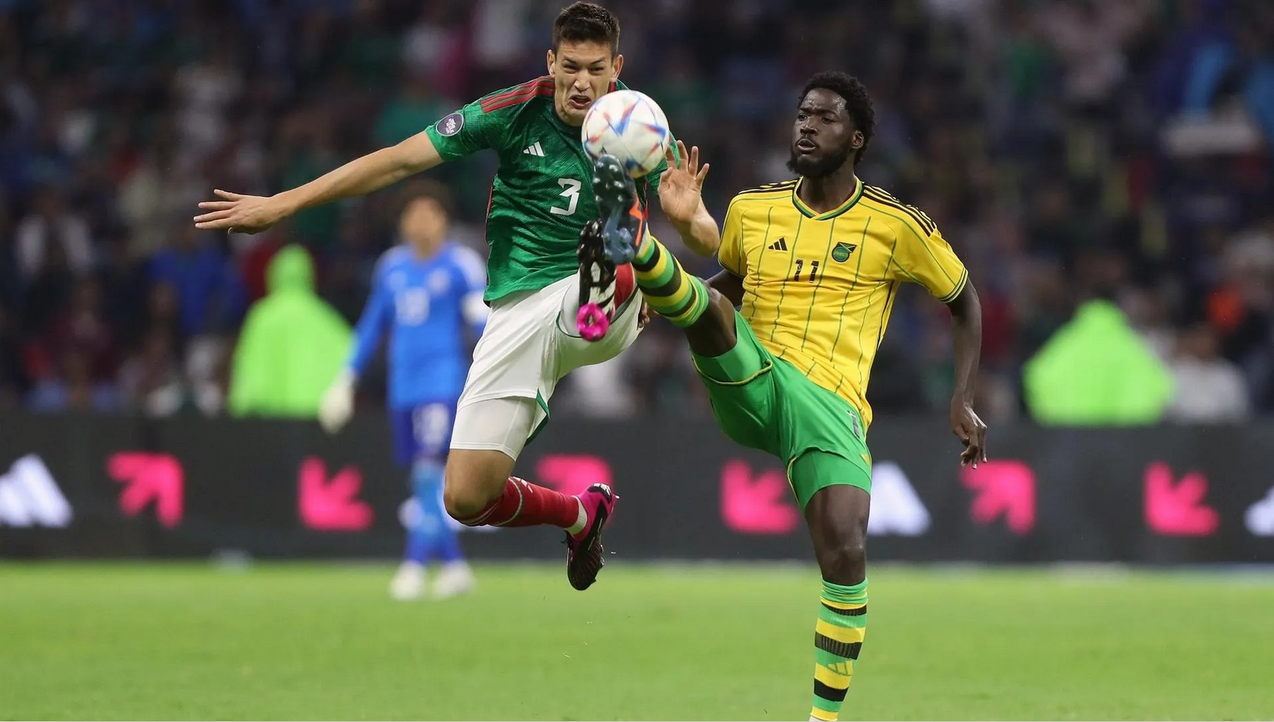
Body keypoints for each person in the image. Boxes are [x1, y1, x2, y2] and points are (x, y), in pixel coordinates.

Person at [195, 2, 714, 590]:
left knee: (612, 250)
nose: (582, 82)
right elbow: (397, 161)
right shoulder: (512, 111)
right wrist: (285, 202)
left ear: (616, 67)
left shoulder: (639, 126)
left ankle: (607, 269)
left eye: (596, 68)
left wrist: (689, 218)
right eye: (570, 66)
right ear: (551, 60)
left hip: (603, 304)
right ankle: (580, 515)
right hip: (519, 313)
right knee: (466, 496)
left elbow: (707, 236)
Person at [593, 72, 989, 721]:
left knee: (846, 551)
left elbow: (963, 299)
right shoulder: (753, 208)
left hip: (830, 409)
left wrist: (963, 397)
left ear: (856, 138)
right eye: (802, 115)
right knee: (716, 310)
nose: (806, 126)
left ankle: (822, 720)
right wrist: (675, 263)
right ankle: (635, 241)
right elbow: (726, 286)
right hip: (753, 376)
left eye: (824, 118)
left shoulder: (895, 225)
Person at [319, 181, 485, 601]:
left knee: (429, 470)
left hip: (442, 384)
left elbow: (485, 325)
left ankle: (413, 566)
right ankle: (453, 567)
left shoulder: (461, 266)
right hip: (402, 389)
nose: (422, 222)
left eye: (431, 213)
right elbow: (373, 324)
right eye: (414, 214)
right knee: (421, 479)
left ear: (444, 221)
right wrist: (346, 378)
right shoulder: (391, 268)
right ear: (403, 222)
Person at [228, 244, 352, 418]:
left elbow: (250, 369)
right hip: (313, 418)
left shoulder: (263, 316)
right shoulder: (324, 315)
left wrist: (240, 406)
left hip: (270, 422)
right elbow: (350, 354)